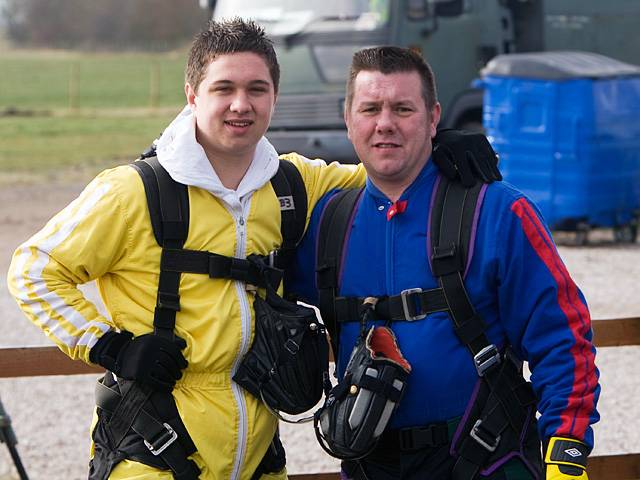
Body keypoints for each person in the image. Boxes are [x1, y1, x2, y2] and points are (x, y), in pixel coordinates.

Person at [6, 20, 498, 480]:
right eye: (224, 88)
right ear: (192, 95)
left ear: (274, 97)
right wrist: (109, 346)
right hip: (153, 453)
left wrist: (435, 147)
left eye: (256, 89)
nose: (241, 104)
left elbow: (383, 175)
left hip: (259, 458)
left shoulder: (292, 182)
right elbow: (34, 270)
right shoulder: (133, 192)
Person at [289, 46, 600, 480]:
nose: (385, 124)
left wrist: (566, 451)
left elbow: (563, 337)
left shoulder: (496, 212)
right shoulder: (326, 225)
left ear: (434, 117)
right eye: (370, 108)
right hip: (369, 466)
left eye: (403, 108)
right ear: (348, 118)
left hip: (485, 460)